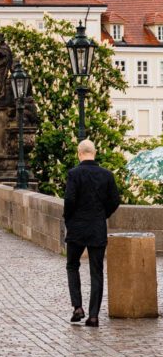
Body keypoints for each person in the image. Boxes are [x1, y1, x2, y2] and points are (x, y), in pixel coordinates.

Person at [64, 139, 120, 327]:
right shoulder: (107, 175)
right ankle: (94, 315)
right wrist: (102, 214)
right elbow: (115, 201)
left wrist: (69, 220)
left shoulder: (74, 174)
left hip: (77, 229)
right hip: (97, 228)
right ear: (94, 153)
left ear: (79, 154)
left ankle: (78, 307)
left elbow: (69, 201)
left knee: (72, 266)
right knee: (96, 272)